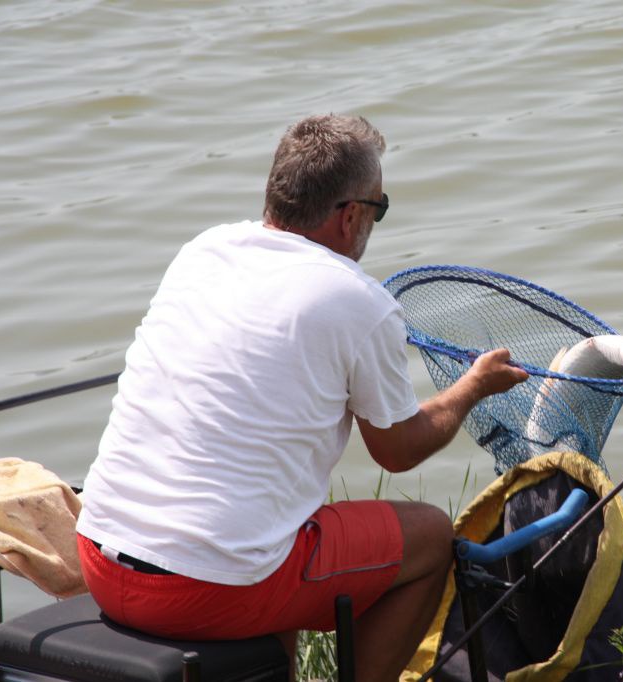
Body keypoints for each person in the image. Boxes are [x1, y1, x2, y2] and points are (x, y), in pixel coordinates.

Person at [75, 114, 529, 681]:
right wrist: (473, 387)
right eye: (379, 208)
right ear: (349, 216)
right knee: (432, 536)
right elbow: (398, 449)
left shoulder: (204, 250)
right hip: (206, 590)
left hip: (98, 556)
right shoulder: (356, 301)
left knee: (275, 534)